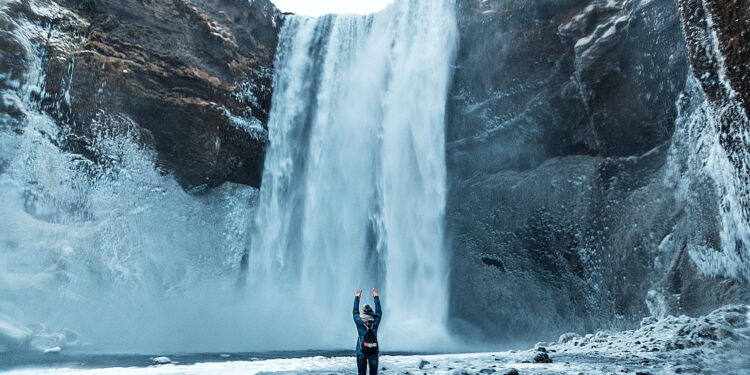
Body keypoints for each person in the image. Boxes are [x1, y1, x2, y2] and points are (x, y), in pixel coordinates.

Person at [353, 288, 382, 375]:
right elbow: (379, 311)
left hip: (361, 351)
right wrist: (376, 296)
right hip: (373, 351)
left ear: (363, 312)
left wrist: (357, 297)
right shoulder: (376, 320)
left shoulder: (359, 321)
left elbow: (355, 312)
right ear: (371, 311)